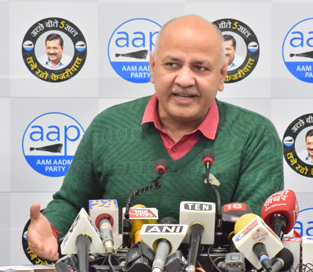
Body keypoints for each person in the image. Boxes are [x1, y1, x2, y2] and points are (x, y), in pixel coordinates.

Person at [27, 15, 284, 261]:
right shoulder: (108, 126)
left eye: (200, 67)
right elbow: (72, 203)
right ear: (152, 67)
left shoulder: (254, 134)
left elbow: (253, 234)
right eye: (172, 64)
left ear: (221, 75)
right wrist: (51, 227)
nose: (184, 79)